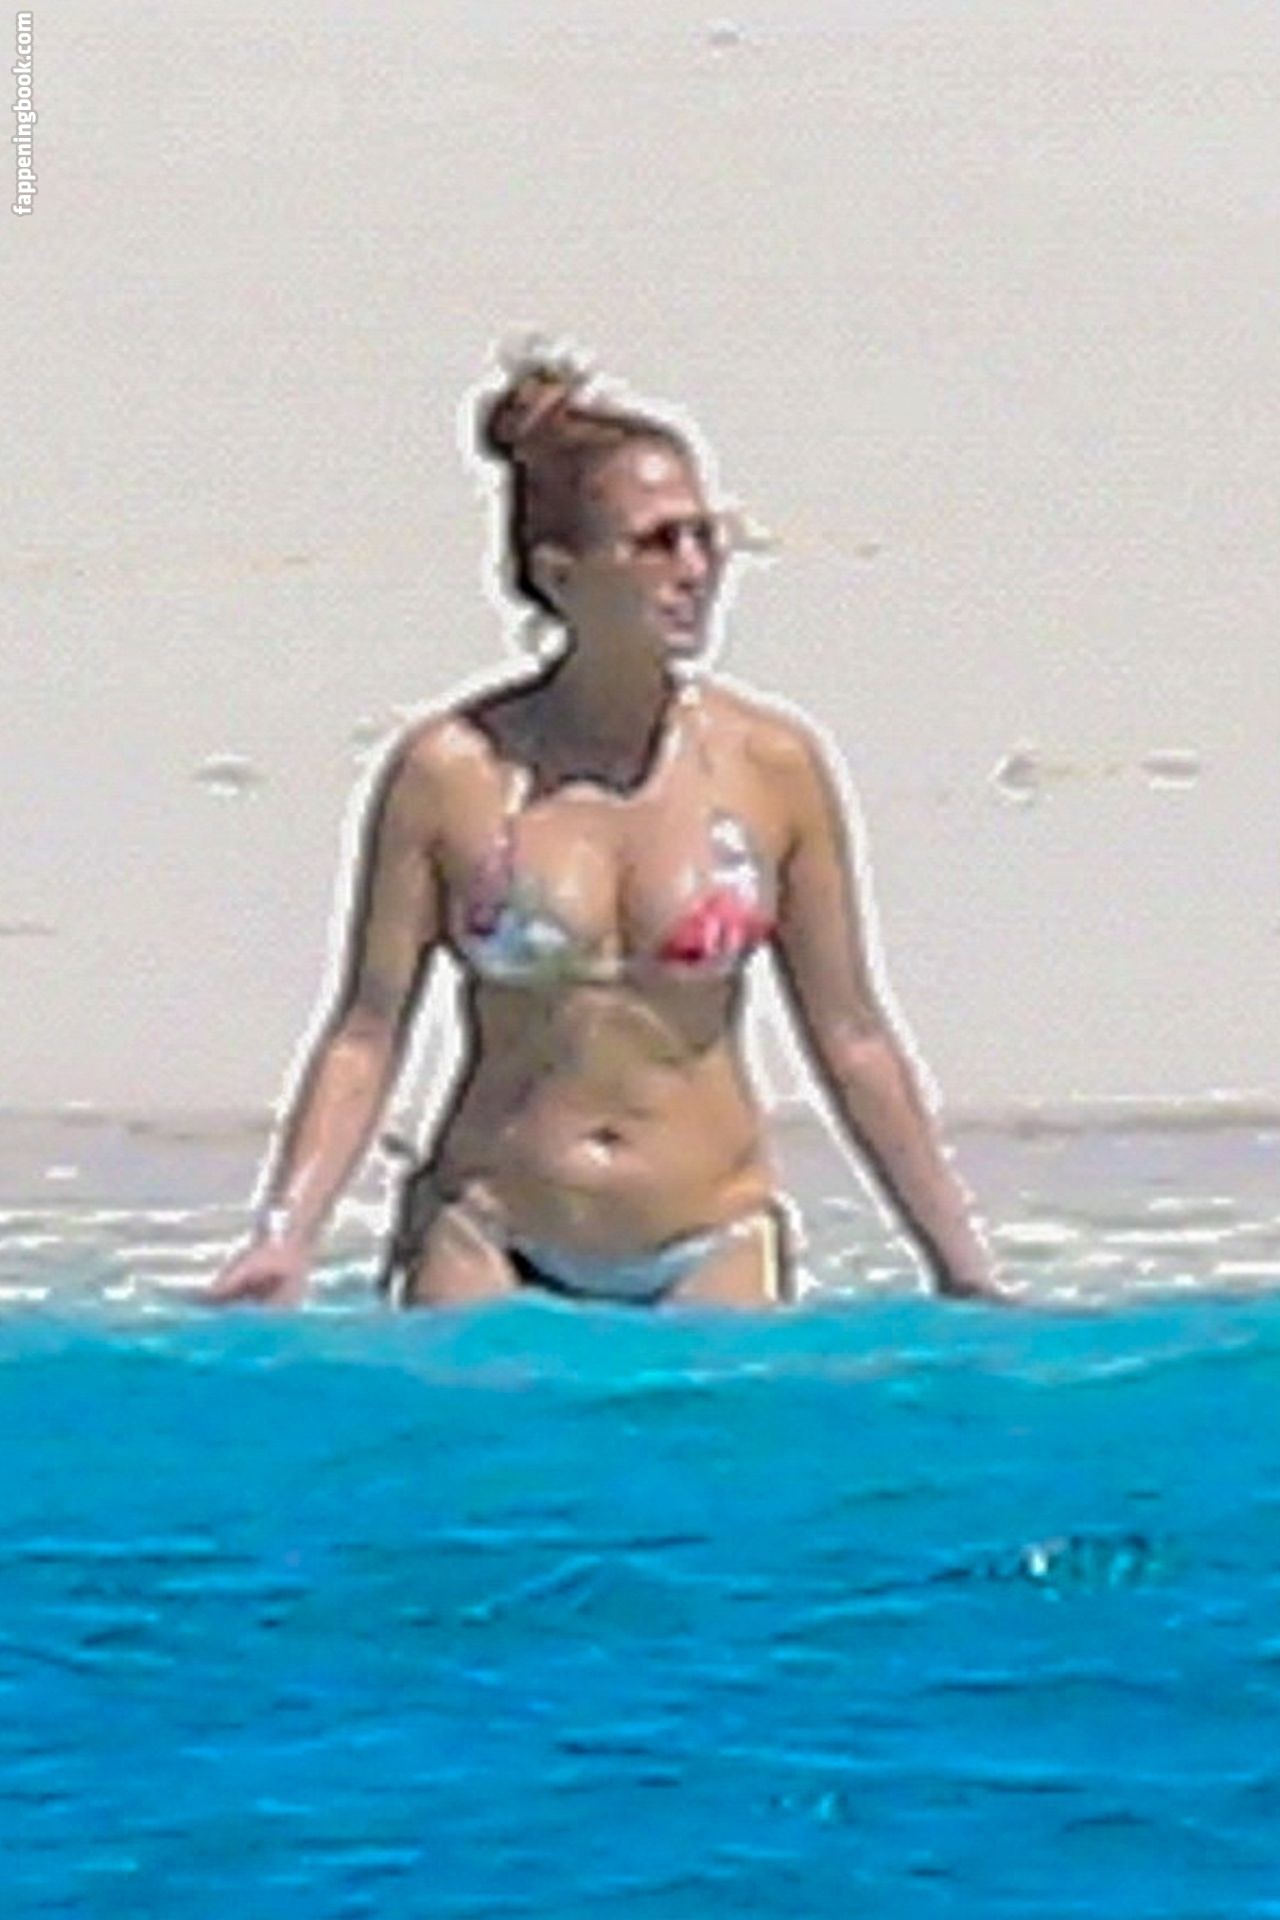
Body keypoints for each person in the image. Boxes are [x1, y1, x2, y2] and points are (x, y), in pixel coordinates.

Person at [210, 348, 1007, 1310]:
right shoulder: (451, 773)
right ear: (562, 573)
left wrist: (960, 1264)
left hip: (709, 1231)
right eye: (656, 543)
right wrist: (284, 1237)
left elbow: (851, 1033)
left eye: (707, 538)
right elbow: (367, 1030)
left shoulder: (771, 767)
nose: (695, 570)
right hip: (489, 1224)